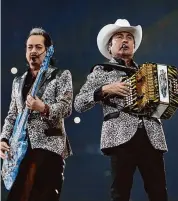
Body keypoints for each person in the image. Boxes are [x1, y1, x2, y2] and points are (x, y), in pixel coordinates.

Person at [74, 19, 168, 201]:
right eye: (119, 37)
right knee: (120, 193)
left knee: (159, 193)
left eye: (129, 37)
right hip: (121, 137)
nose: (125, 40)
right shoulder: (101, 72)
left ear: (134, 45)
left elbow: (162, 107)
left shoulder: (147, 72)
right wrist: (105, 90)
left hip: (152, 136)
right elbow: (79, 103)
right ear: (110, 47)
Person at [0, 27, 73, 201]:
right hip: (20, 151)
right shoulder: (18, 82)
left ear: (47, 51)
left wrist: (44, 108)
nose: (33, 51)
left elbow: (66, 108)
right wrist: (4, 139)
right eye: (29, 47)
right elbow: (12, 115)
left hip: (49, 147)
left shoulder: (61, 75)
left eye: (38, 47)